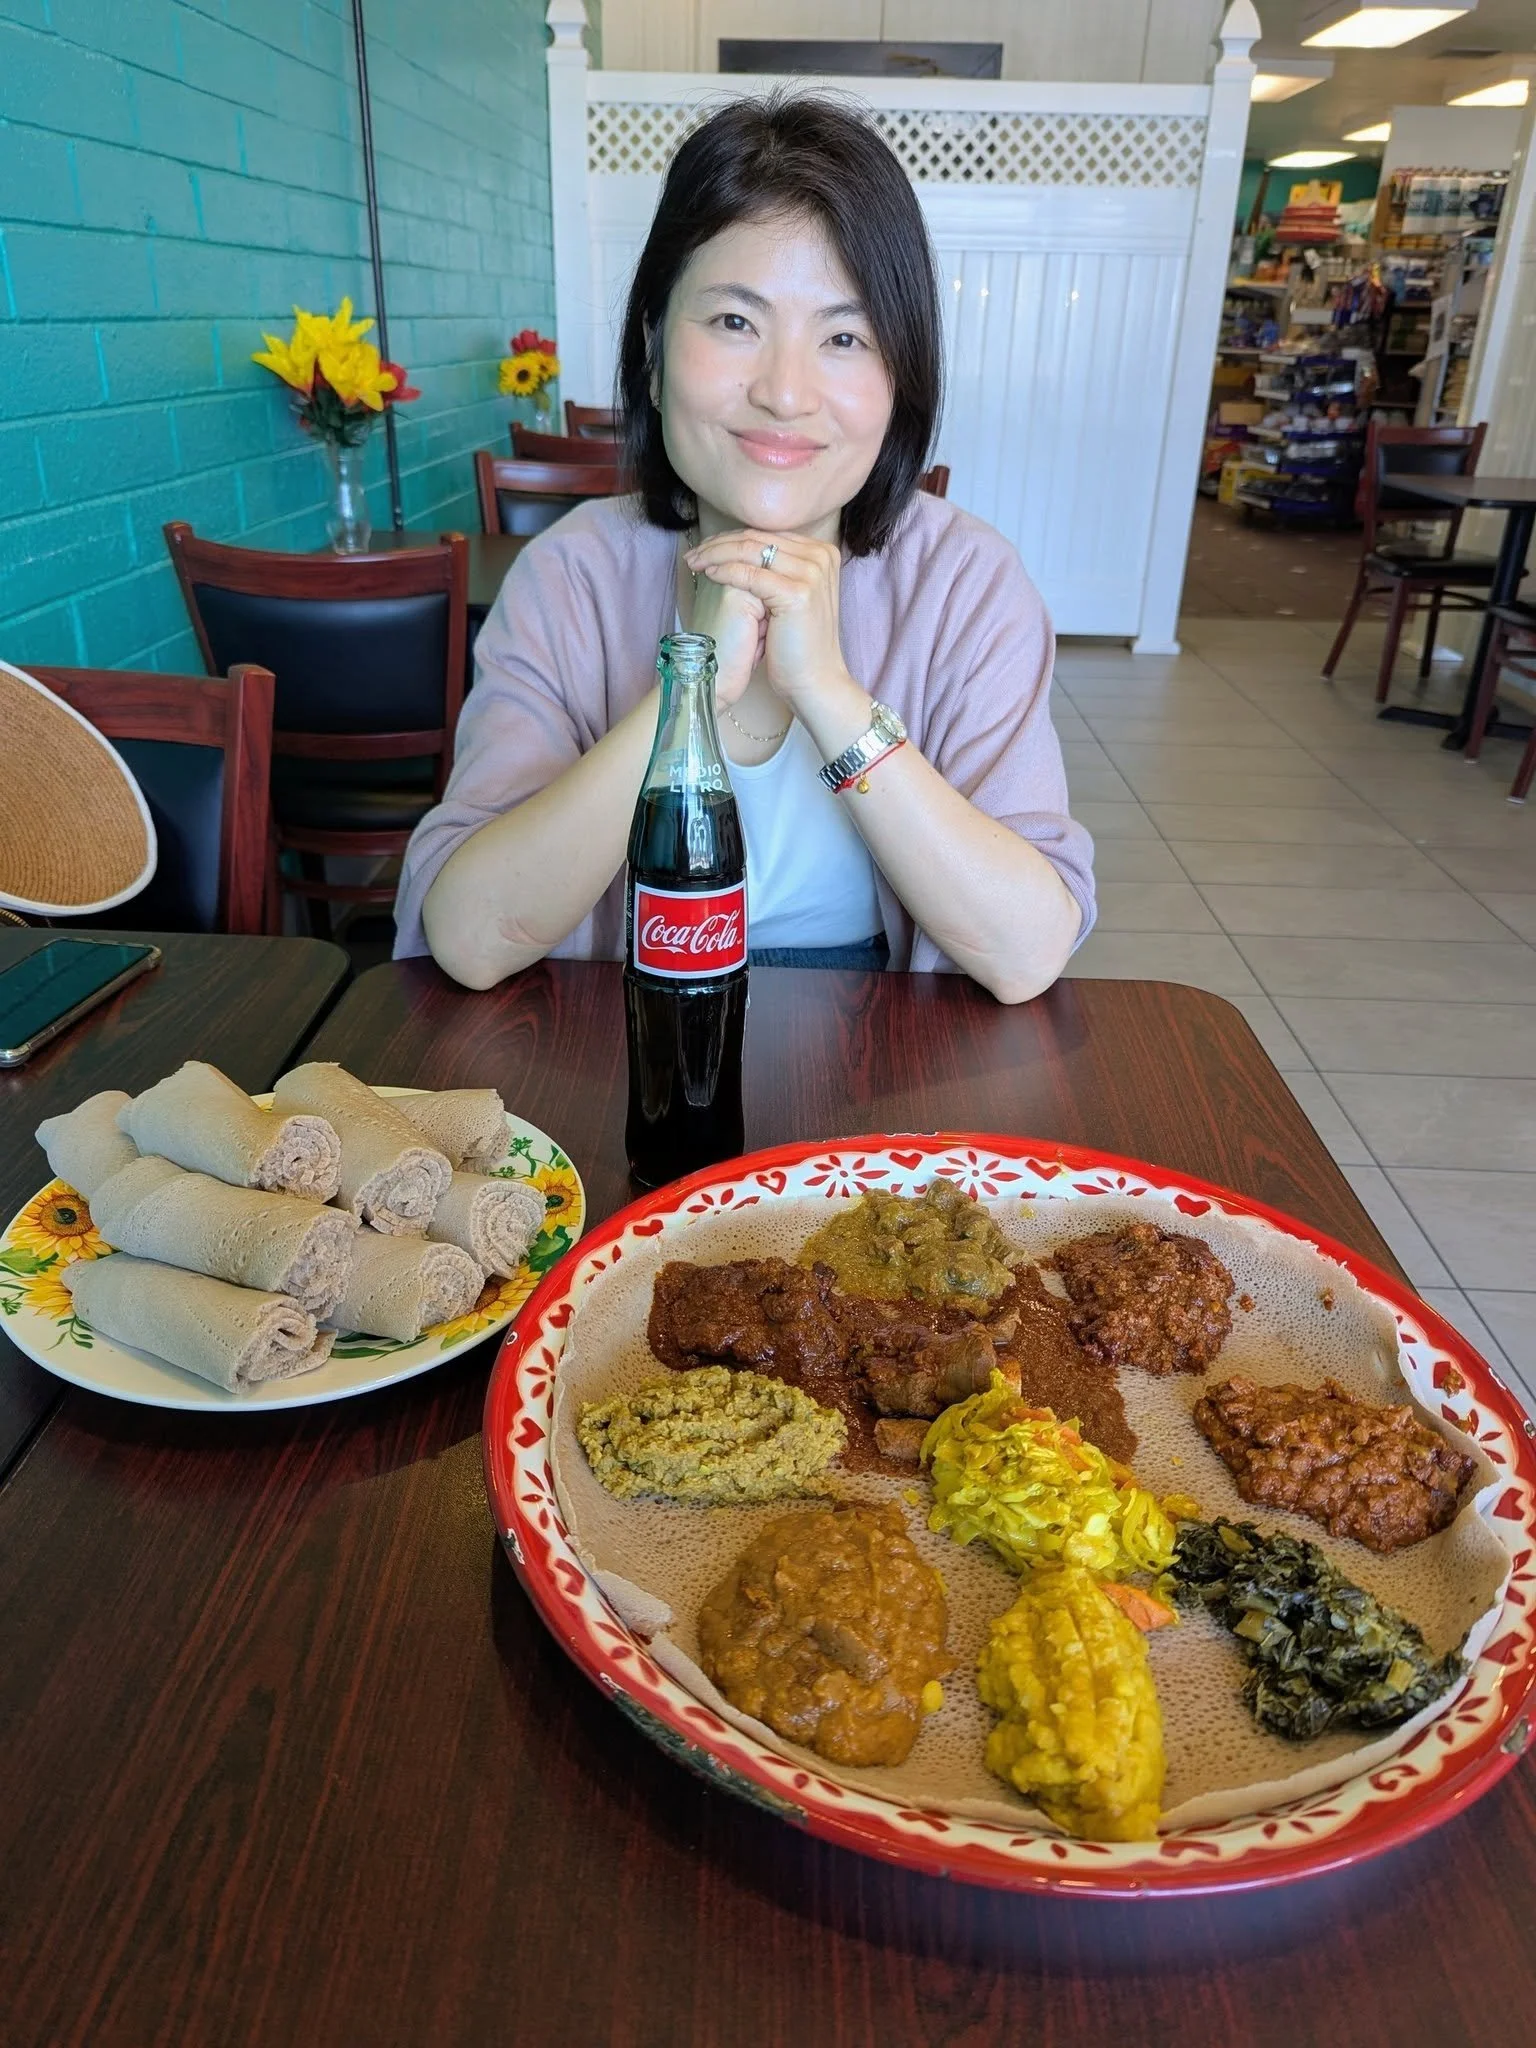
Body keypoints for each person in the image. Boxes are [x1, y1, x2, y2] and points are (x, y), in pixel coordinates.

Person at [395, 93, 1094, 1003]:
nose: (785, 392)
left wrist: (829, 694)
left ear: (901, 381)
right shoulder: (572, 576)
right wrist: (687, 694)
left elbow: (1025, 952)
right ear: (652, 348)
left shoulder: (967, 584)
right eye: (735, 322)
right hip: (630, 1035)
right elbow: (470, 936)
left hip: (889, 1057)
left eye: (844, 337)